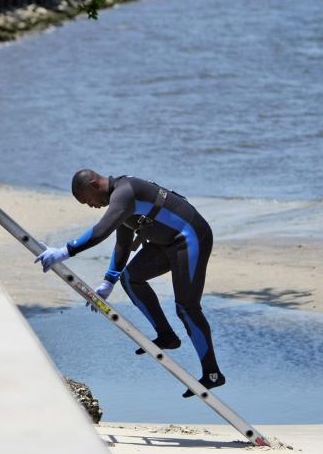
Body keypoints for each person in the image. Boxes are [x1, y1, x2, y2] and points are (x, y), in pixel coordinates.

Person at [35, 170, 225, 398]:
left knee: (186, 307)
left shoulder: (126, 193)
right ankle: (167, 336)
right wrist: (108, 281)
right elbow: (122, 245)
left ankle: (212, 373)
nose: (90, 206)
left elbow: (100, 232)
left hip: (191, 237)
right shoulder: (121, 203)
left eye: (86, 200)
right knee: (130, 279)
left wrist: (65, 251)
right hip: (166, 243)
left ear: (95, 185)